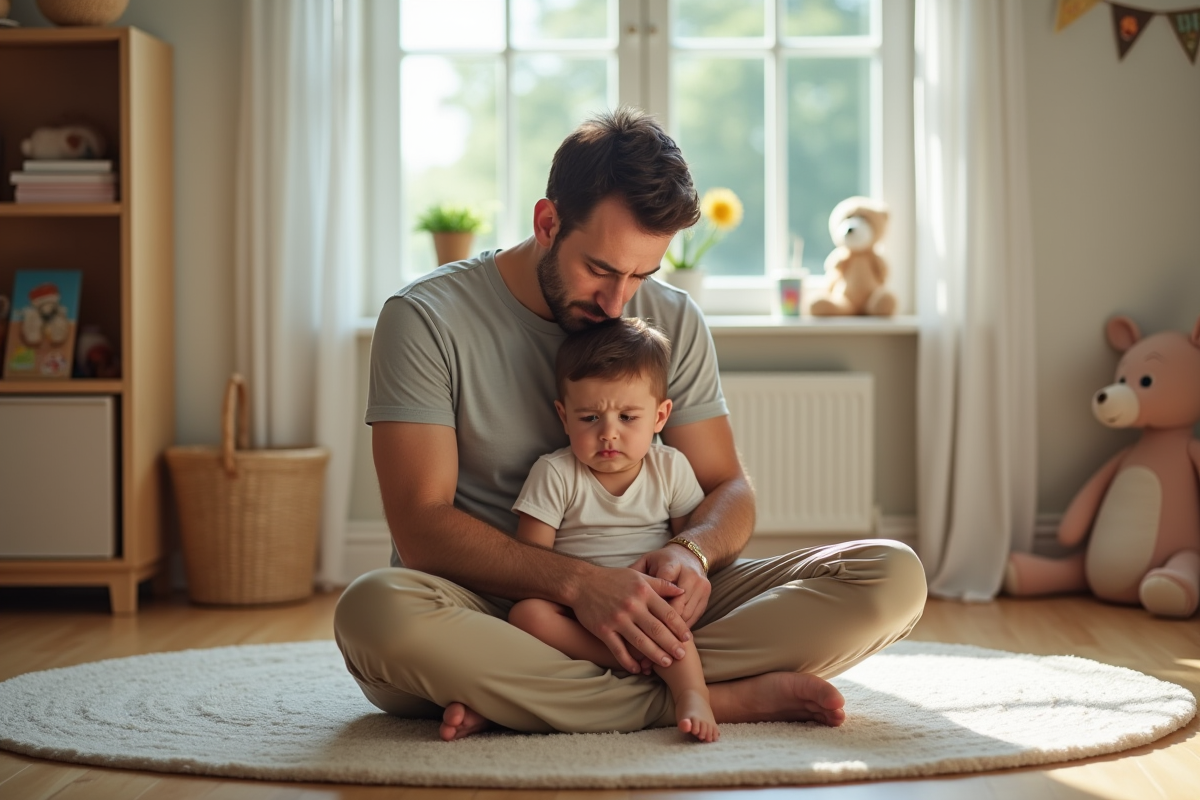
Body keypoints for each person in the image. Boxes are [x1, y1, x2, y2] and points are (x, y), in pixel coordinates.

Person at [334, 106, 927, 742]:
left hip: (649, 608)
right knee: (375, 613)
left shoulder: (673, 318)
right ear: (547, 222)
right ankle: (709, 696)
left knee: (891, 577)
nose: (620, 302)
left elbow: (728, 486)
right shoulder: (426, 318)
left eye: (642, 275)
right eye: (601, 270)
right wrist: (583, 586)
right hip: (491, 615)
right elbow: (421, 529)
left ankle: (527, 697)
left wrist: (691, 553)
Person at [509, 317, 718, 742]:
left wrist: (682, 575)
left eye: (627, 416)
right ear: (563, 416)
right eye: (589, 418)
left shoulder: (670, 467)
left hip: (652, 603)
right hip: (575, 611)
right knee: (525, 615)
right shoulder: (555, 473)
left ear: (660, 416)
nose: (608, 433)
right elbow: (529, 563)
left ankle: (692, 693)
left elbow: (687, 543)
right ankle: (630, 662)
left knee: (680, 609)